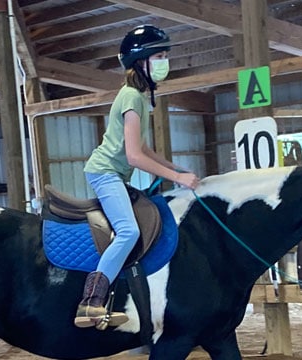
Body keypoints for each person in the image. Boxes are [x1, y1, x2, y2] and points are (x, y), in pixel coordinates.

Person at [74, 25, 200, 328]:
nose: (164, 61)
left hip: (114, 173)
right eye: (159, 55)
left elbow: (143, 147)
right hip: (105, 173)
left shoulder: (139, 98)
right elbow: (133, 156)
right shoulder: (131, 97)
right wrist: (176, 177)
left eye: (165, 55)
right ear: (141, 61)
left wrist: (176, 168)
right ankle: (90, 304)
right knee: (128, 232)